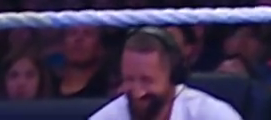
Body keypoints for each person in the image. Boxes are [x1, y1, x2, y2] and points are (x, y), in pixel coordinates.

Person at [87, 29, 243, 120]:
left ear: (173, 76)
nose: (137, 92)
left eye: (147, 80)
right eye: (129, 79)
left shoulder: (212, 115)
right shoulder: (109, 116)